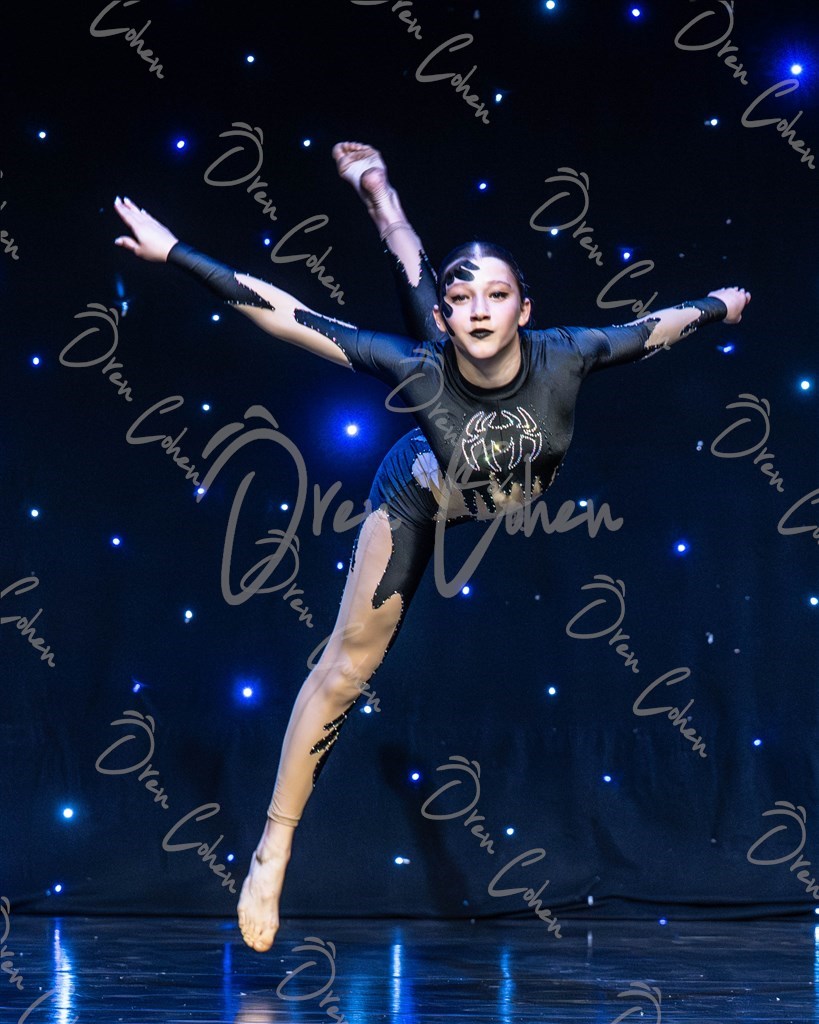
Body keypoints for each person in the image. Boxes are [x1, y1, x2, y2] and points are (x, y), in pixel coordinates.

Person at [113, 141, 751, 952]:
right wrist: (176, 253)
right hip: (420, 489)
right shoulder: (419, 363)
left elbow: (653, 326)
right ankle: (273, 847)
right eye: (463, 300)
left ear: (524, 309)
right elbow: (284, 314)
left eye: (496, 296)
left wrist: (719, 306)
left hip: (498, 478)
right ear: (450, 317)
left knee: (413, 268)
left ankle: (378, 189)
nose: (479, 310)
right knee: (346, 669)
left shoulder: (570, 353)